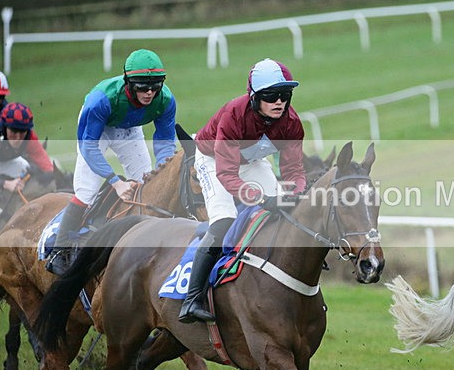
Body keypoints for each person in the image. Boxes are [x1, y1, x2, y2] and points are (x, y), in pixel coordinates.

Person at [179, 58, 307, 323]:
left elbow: (294, 171)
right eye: (271, 96)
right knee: (224, 219)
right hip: (213, 159)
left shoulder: (292, 123)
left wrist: (296, 194)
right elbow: (226, 174)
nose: (279, 102)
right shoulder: (234, 116)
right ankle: (191, 300)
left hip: (251, 160)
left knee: (282, 211)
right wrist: (260, 198)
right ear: (254, 97)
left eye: (285, 95)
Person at [45, 49, 177, 275]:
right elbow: (89, 147)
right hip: (97, 131)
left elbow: (165, 143)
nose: (149, 93)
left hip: (129, 128)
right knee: (87, 190)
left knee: (146, 183)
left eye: (155, 86)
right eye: (142, 87)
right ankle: (60, 248)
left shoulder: (165, 100)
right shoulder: (101, 100)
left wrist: (163, 170)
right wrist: (116, 182)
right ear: (128, 82)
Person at [0, 103, 55, 250]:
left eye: (22, 132)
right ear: (4, 127)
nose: (18, 138)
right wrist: (4, 184)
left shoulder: (29, 137)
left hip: (1, 162)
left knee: (24, 166)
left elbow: (47, 166)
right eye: (14, 132)